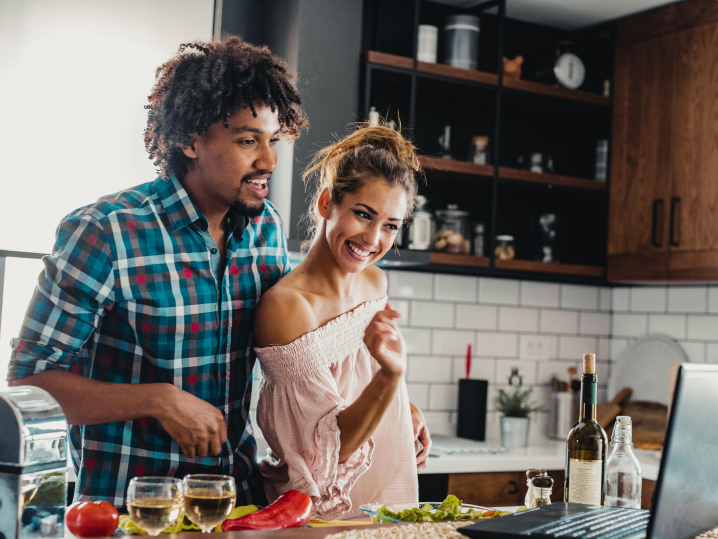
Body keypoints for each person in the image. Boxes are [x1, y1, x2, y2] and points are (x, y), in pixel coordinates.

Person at [7, 36, 308, 507]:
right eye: (248, 140)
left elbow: (298, 349)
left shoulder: (265, 228)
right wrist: (157, 400)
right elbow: (29, 385)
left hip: (238, 503)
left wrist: (387, 398)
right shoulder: (105, 230)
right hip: (131, 511)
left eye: (273, 140)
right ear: (190, 140)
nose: (268, 162)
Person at [253, 125, 432, 520]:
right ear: (326, 203)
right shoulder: (286, 308)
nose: (372, 239)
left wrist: (405, 406)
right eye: (363, 214)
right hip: (322, 515)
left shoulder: (375, 281)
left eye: (390, 225)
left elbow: (363, 376)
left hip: (388, 494)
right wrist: (391, 379)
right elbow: (329, 449)